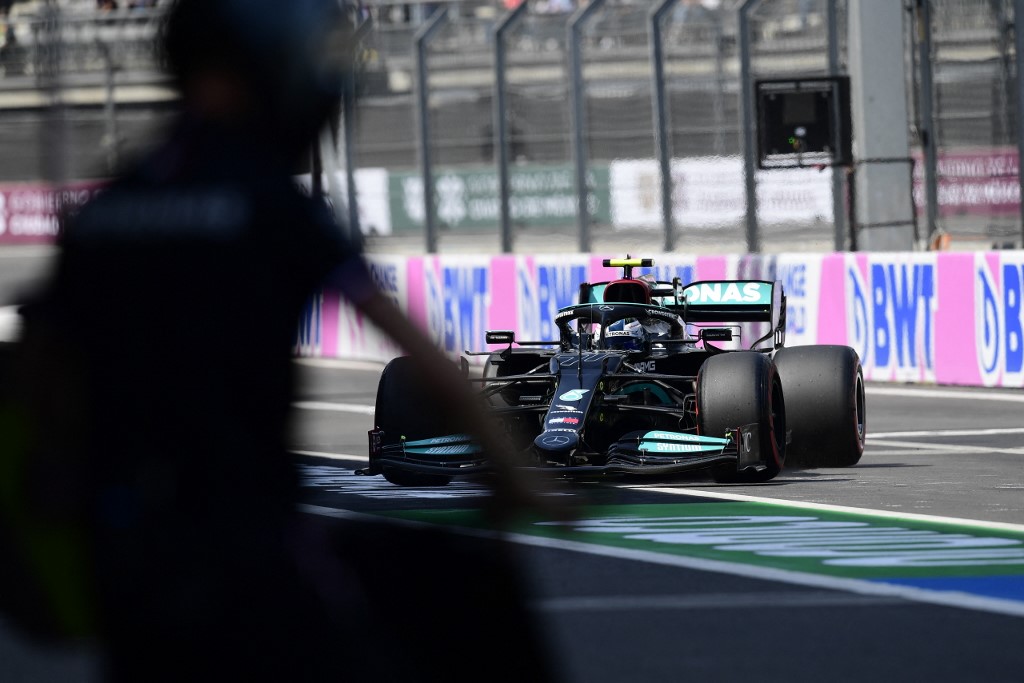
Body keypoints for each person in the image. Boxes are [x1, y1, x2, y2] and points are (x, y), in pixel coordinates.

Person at [14, 0, 560, 680]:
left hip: (122, 550)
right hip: (249, 541)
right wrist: (514, 472)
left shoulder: (105, 210)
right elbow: (426, 359)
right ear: (242, 72)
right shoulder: (270, 203)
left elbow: (39, 373)